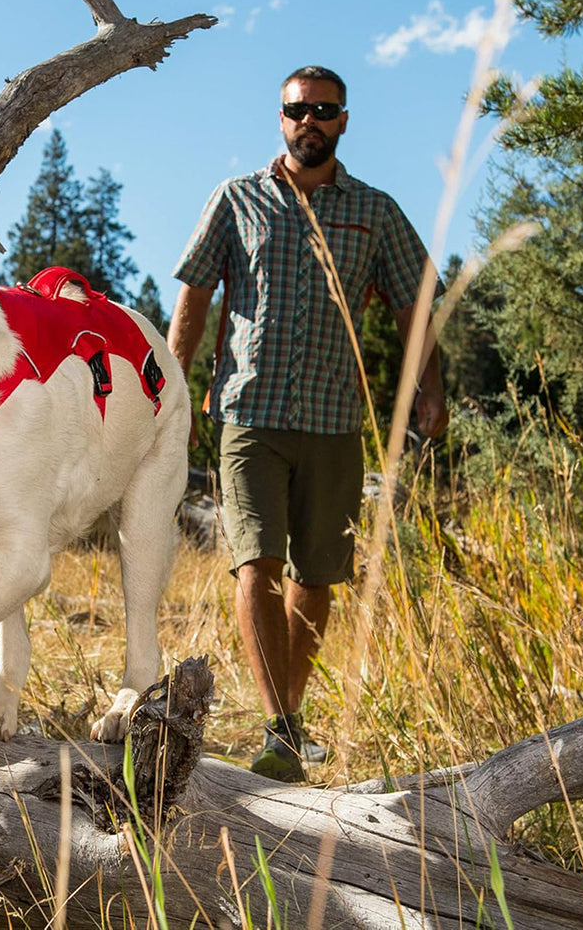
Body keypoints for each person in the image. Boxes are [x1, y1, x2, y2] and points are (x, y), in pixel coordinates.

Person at [167, 65, 448, 782]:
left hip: (332, 421)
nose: (309, 122)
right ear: (281, 118)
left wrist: (429, 389)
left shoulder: (374, 211)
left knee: (315, 577)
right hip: (247, 414)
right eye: (298, 111)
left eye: (324, 111)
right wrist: (172, 386)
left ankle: (287, 720)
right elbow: (195, 297)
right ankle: (281, 727)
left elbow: (416, 302)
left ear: (344, 121)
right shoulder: (238, 200)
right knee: (255, 561)